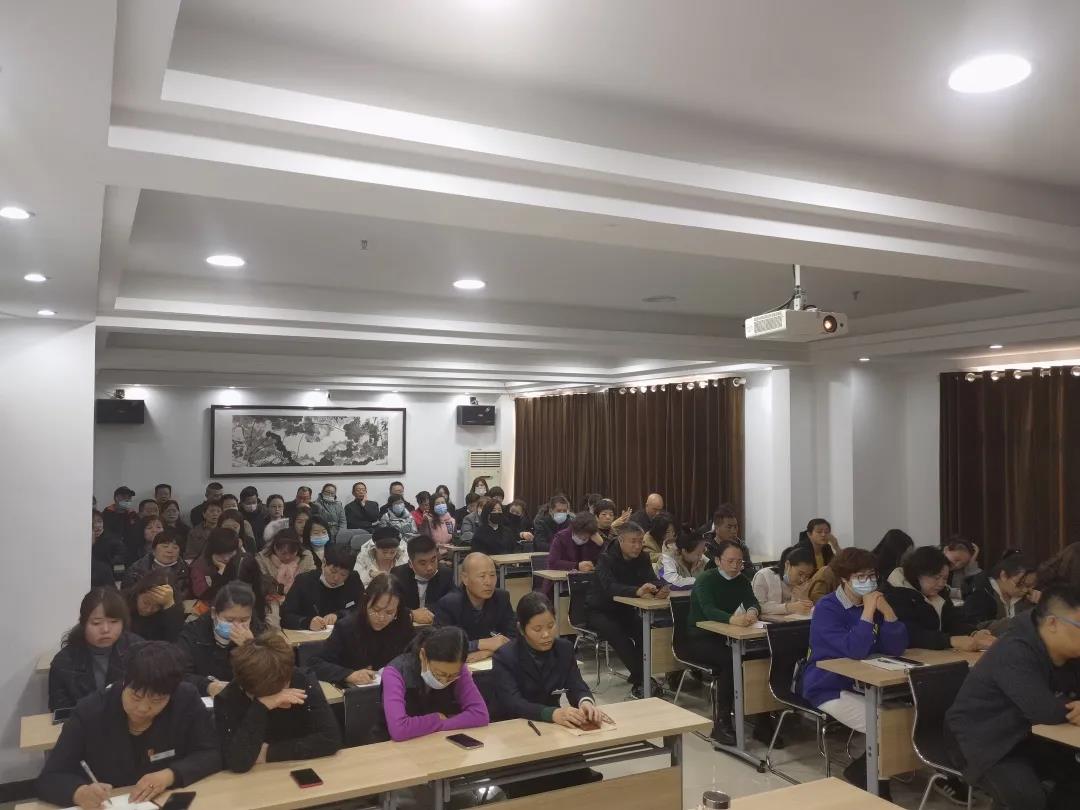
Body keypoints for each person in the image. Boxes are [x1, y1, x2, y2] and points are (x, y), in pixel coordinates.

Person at [36, 641, 221, 809]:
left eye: (157, 700)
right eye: (136, 697)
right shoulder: (90, 712)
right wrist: (80, 793)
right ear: (124, 683)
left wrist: (169, 775)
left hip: (162, 799)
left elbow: (211, 752)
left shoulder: (185, 699)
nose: (143, 708)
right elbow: (50, 778)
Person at [945, 585, 1080, 810]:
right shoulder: (1014, 650)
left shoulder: (1070, 652)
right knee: (1029, 800)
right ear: (1053, 623)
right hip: (984, 739)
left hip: (1029, 736)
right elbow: (1043, 710)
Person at [800, 547, 908, 796]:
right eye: (860, 577)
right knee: (884, 726)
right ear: (844, 579)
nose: (868, 582)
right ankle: (874, 784)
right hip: (828, 685)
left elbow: (895, 648)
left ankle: (865, 771)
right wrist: (868, 612)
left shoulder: (874, 603)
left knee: (904, 719)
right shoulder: (827, 608)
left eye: (871, 576)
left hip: (866, 683)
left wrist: (888, 613)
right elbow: (855, 650)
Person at [493, 593, 605, 796]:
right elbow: (513, 703)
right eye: (537, 629)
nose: (546, 634)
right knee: (537, 788)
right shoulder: (505, 656)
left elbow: (576, 684)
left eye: (551, 626)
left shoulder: (564, 649)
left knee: (580, 784)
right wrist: (552, 713)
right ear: (521, 629)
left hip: (553, 729)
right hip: (516, 730)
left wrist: (585, 702)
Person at [214, 632, 341, 773]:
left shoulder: (301, 679)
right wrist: (261, 707)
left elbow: (330, 739)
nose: (280, 694)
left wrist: (269, 752)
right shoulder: (229, 696)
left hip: (299, 766)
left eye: (283, 686)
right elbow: (237, 762)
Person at [685, 540, 764, 744]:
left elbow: (752, 601)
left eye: (740, 562)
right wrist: (733, 619)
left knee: (759, 656)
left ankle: (763, 721)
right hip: (700, 638)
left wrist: (753, 611)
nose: (736, 566)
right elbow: (708, 610)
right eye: (731, 561)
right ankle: (722, 723)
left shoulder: (742, 580)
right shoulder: (706, 579)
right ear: (718, 561)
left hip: (729, 636)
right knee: (730, 660)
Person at [587, 522, 669, 699]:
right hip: (600, 610)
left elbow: (652, 579)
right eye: (633, 541)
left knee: (643, 631)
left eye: (640, 541)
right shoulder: (605, 558)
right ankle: (643, 679)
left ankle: (640, 677)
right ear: (621, 540)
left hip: (626, 609)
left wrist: (658, 589)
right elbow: (610, 587)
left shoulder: (643, 557)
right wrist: (636, 591)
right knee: (618, 635)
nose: (638, 546)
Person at [382, 626, 490, 741]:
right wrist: (436, 719)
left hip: (440, 741)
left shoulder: (456, 668)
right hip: (394, 746)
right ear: (423, 655)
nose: (444, 681)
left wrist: (442, 724)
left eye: (451, 676)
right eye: (439, 674)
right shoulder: (395, 672)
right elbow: (399, 729)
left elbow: (480, 714)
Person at [310, 574, 415, 685]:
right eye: (376, 610)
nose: (381, 618)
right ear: (366, 603)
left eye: (389, 612)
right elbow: (315, 664)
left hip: (394, 687)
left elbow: (415, 656)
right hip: (356, 691)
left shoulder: (402, 624)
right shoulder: (347, 627)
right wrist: (348, 675)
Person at [882, 545, 991, 652]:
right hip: (906, 655)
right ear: (917, 574)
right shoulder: (895, 593)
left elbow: (952, 621)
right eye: (937, 578)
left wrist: (973, 633)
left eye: (945, 578)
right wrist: (949, 641)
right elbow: (910, 634)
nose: (941, 583)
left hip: (935, 653)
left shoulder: (939, 592)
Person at [49, 588, 140, 712]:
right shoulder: (64, 662)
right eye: (96, 623)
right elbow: (61, 711)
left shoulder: (138, 649)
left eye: (114, 622)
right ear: (83, 623)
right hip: (82, 722)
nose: (105, 629)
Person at [177, 581, 264, 697]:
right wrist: (208, 686)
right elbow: (179, 675)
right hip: (203, 699)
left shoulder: (259, 634)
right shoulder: (193, 634)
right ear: (214, 613)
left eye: (244, 620)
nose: (237, 625)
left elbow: (271, 675)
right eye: (229, 620)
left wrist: (250, 649)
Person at [434, 552, 516, 659]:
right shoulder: (449, 604)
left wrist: (489, 652)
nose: (488, 582)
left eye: (492, 575)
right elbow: (442, 645)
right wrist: (480, 644)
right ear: (465, 578)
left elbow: (512, 638)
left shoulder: (501, 598)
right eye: (482, 576)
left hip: (491, 662)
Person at [280, 544, 364, 631]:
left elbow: (362, 608)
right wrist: (307, 623)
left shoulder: (353, 580)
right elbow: (285, 616)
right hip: (310, 636)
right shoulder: (304, 581)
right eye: (333, 571)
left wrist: (339, 615)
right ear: (324, 563)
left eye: (343, 574)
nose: (336, 578)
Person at [964, 551, 1038, 636]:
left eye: (1029, 586)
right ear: (1003, 575)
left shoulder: (1029, 597)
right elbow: (974, 626)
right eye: (1020, 584)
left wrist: (1040, 605)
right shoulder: (980, 593)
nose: (1025, 590)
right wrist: (1016, 623)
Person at [392, 535, 453, 625]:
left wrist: (429, 612)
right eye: (423, 563)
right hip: (407, 626)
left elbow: (451, 603)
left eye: (433, 560)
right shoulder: (398, 575)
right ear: (410, 564)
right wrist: (411, 614)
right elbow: (391, 606)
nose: (430, 568)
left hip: (436, 626)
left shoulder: (445, 574)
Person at [544, 512, 604, 596]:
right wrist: (577, 566)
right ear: (575, 530)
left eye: (587, 536)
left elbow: (603, 562)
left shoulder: (593, 539)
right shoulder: (561, 537)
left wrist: (601, 545)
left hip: (586, 584)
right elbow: (553, 562)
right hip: (561, 585)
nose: (584, 538)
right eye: (581, 535)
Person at [123, 527, 191, 601]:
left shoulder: (187, 570)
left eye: (175, 548)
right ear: (153, 550)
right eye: (165, 546)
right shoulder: (135, 571)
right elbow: (128, 596)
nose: (170, 551)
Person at [257, 529, 317, 607]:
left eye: (292, 553)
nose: (287, 557)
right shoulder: (262, 559)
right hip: (272, 602)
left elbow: (311, 581)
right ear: (275, 548)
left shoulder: (306, 557)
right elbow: (263, 585)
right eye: (283, 553)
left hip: (301, 601)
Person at [124, 569, 186, 643]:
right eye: (146, 602)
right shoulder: (122, 602)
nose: (149, 610)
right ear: (138, 594)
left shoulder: (172, 611)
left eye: (158, 606)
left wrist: (170, 607)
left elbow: (174, 641)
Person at [751, 546, 815, 615]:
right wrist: (788, 607)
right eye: (800, 574)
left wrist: (804, 597)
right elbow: (757, 606)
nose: (802, 579)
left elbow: (809, 610)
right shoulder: (764, 576)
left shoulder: (806, 583)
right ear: (787, 565)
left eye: (807, 576)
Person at [189, 527, 242, 605]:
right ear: (212, 551)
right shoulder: (199, 566)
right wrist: (221, 571)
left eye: (230, 553)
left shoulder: (236, 560)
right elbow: (204, 594)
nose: (226, 558)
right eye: (221, 554)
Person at [703, 504, 755, 572]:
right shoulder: (706, 549)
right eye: (729, 527)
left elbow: (750, 572)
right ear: (717, 528)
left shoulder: (742, 547)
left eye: (735, 527)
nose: (734, 531)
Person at [657, 526, 708, 590]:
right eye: (698, 554)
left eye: (703, 551)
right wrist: (701, 580)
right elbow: (672, 583)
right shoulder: (667, 559)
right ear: (684, 551)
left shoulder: (702, 558)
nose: (701, 556)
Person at [91, 509, 123, 587]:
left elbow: (119, 564)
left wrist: (118, 579)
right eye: (92, 522)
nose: (97, 525)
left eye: (99, 521)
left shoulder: (114, 541)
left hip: (107, 581)